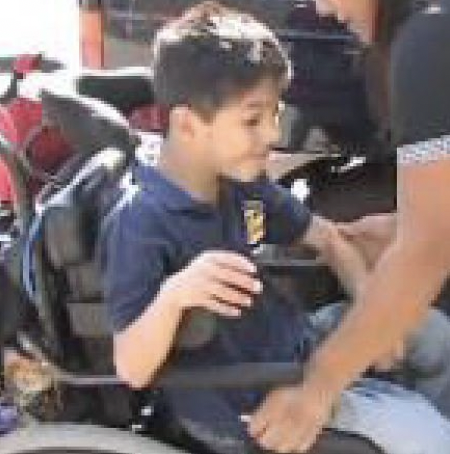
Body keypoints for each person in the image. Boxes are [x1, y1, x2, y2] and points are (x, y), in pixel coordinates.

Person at [101, 2, 450, 453]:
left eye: (274, 115)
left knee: (435, 336)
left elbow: (327, 237)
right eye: (253, 119)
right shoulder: (141, 223)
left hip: (294, 347)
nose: (271, 135)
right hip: (250, 402)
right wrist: (174, 297)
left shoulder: (242, 184)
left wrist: (369, 299)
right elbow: (131, 368)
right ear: (187, 124)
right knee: (428, 438)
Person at [276, 0, 450, 451]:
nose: (321, 8)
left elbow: (427, 251)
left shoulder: (429, 40)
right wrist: (403, 228)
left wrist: (318, 386)